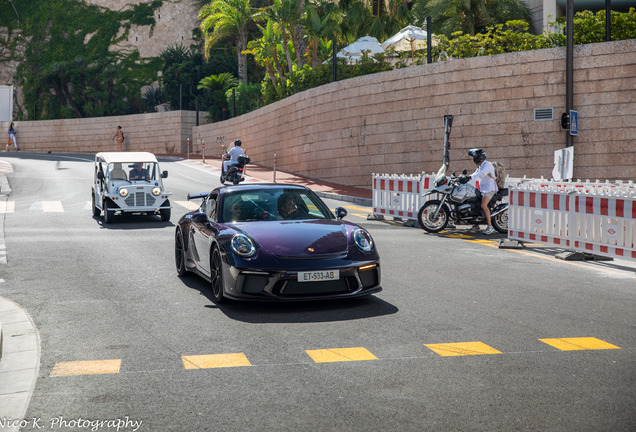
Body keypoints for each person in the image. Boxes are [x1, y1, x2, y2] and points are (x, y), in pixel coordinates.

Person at [461, 149, 497, 235]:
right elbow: (475, 173)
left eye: (474, 157)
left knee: (483, 205)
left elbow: (482, 174)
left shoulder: (487, 165)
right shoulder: (480, 165)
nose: (473, 159)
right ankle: (476, 225)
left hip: (489, 189)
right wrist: (465, 178)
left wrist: (470, 178)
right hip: (483, 188)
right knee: (475, 204)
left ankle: (490, 227)